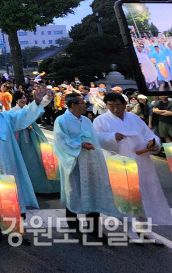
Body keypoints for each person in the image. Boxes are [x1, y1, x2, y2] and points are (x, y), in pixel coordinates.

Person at [0, 87, 52, 242]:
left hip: (10, 163)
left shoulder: (6, 117)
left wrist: (36, 102)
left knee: (14, 197)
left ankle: (17, 230)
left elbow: (23, 115)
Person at [93, 92, 172, 236]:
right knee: (127, 195)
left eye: (118, 105)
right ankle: (129, 228)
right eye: (111, 106)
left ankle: (144, 228)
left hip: (141, 161)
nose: (115, 109)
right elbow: (96, 138)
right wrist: (111, 137)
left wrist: (154, 144)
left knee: (146, 194)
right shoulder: (101, 120)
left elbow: (148, 134)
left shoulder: (134, 118)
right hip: (119, 163)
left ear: (125, 105)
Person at [53, 93, 120, 239]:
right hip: (74, 162)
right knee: (74, 192)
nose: (86, 105)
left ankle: (94, 228)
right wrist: (79, 145)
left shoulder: (86, 121)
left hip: (91, 162)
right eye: (82, 102)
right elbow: (60, 141)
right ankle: (73, 226)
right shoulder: (62, 120)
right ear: (73, 105)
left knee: (93, 192)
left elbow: (95, 139)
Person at [11, 93, 59, 194]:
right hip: (19, 137)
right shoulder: (13, 111)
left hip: (32, 136)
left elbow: (38, 107)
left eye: (24, 98)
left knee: (36, 158)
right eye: (21, 98)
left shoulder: (28, 108)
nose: (23, 100)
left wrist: (47, 98)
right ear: (16, 100)